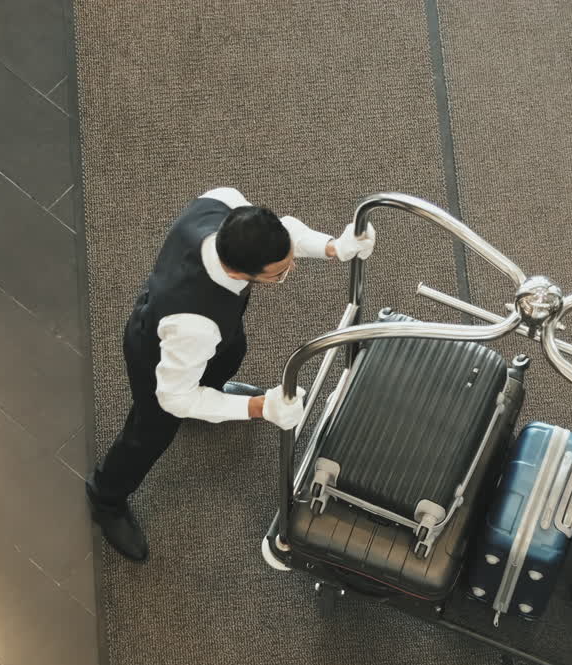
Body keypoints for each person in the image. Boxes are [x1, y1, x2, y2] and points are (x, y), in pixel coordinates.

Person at [86, 187, 375, 562]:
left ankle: (213, 398)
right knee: (150, 432)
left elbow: (285, 232)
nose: (290, 270)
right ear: (237, 271)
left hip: (213, 330)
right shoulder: (195, 326)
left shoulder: (223, 204)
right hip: (160, 357)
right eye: (279, 275)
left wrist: (334, 247)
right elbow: (173, 396)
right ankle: (105, 499)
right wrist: (258, 408)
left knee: (233, 351)